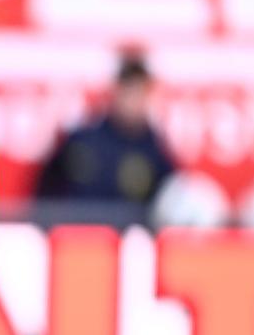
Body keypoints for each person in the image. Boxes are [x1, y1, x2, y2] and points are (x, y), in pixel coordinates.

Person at [34, 51, 176, 220]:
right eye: (128, 90)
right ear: (115, 91)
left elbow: (169, 201)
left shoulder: (154, 152)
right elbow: (44, 195)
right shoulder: (83, 140)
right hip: (75, 239)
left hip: (128, 242)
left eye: (140, 92)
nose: (133, 101)